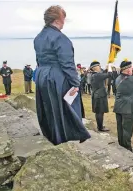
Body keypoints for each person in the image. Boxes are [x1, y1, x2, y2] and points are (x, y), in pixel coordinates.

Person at [33, 5, 90, 145]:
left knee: (48, 108)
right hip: (56, 77)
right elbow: (67, 64)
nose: (64, 21)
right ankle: (63, 138)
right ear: (58, 19)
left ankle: (52, 136)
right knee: (63, 107)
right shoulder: (60, 38)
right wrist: (76, 83)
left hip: (42, 75)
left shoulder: (38, 37)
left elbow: (39, 60)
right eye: (63, 18)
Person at [114, 60, 133, 154]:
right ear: (127, 70)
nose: (132, 69)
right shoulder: (132, 79)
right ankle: (127, 148)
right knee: (127, 129)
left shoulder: (118, 78)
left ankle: (121, 145)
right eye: (130, 68)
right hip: (128, 107)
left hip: (118, 106)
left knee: (120, 128)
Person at [90, 60, 111, 132]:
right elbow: (109, 75)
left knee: (98, 112)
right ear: (94, 67)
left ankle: (100, 125)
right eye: (99, 66)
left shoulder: (95, 74)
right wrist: (110, 68)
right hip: (100, 96)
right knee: (100, 112)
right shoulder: (97, 75)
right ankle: (100, 127)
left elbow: (103, 73)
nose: (100, 67)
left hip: (97, 95)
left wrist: (106, 68)